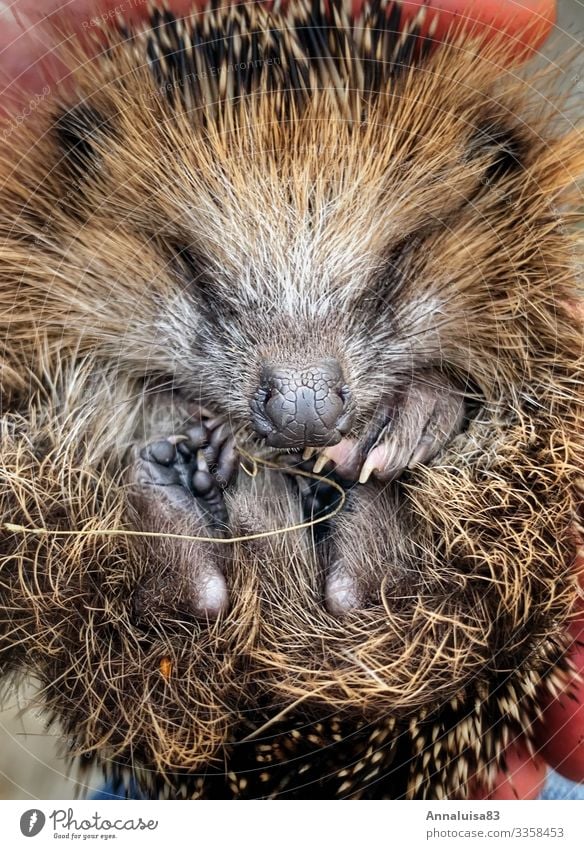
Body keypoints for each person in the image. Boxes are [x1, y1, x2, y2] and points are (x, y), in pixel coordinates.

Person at [0, 0, 582, 800]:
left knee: (513, 460)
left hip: (389, 638)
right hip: (265, 637)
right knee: (52, 469)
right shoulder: (53, 248)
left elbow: (527, 380)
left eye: (388, 282)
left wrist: (453, 391)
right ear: (83, 175)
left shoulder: (504, 253)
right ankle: (263, 560)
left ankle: (201, 552)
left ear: (489, 169)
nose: (307, 406)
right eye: (199, 282)